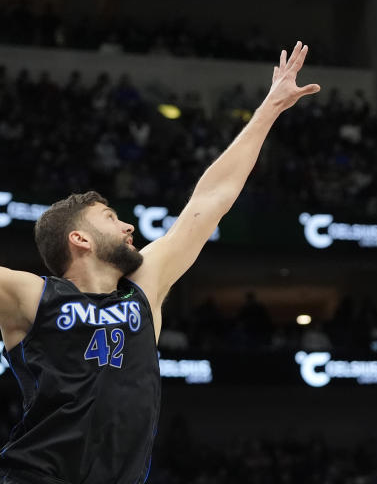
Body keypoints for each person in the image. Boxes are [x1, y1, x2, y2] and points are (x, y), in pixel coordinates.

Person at [0, 41, 319, 483]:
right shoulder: (32, 295)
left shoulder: (144, 288)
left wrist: (270, 107)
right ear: (79, 239)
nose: (129, 226)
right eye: (111, 219)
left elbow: (210, 199)